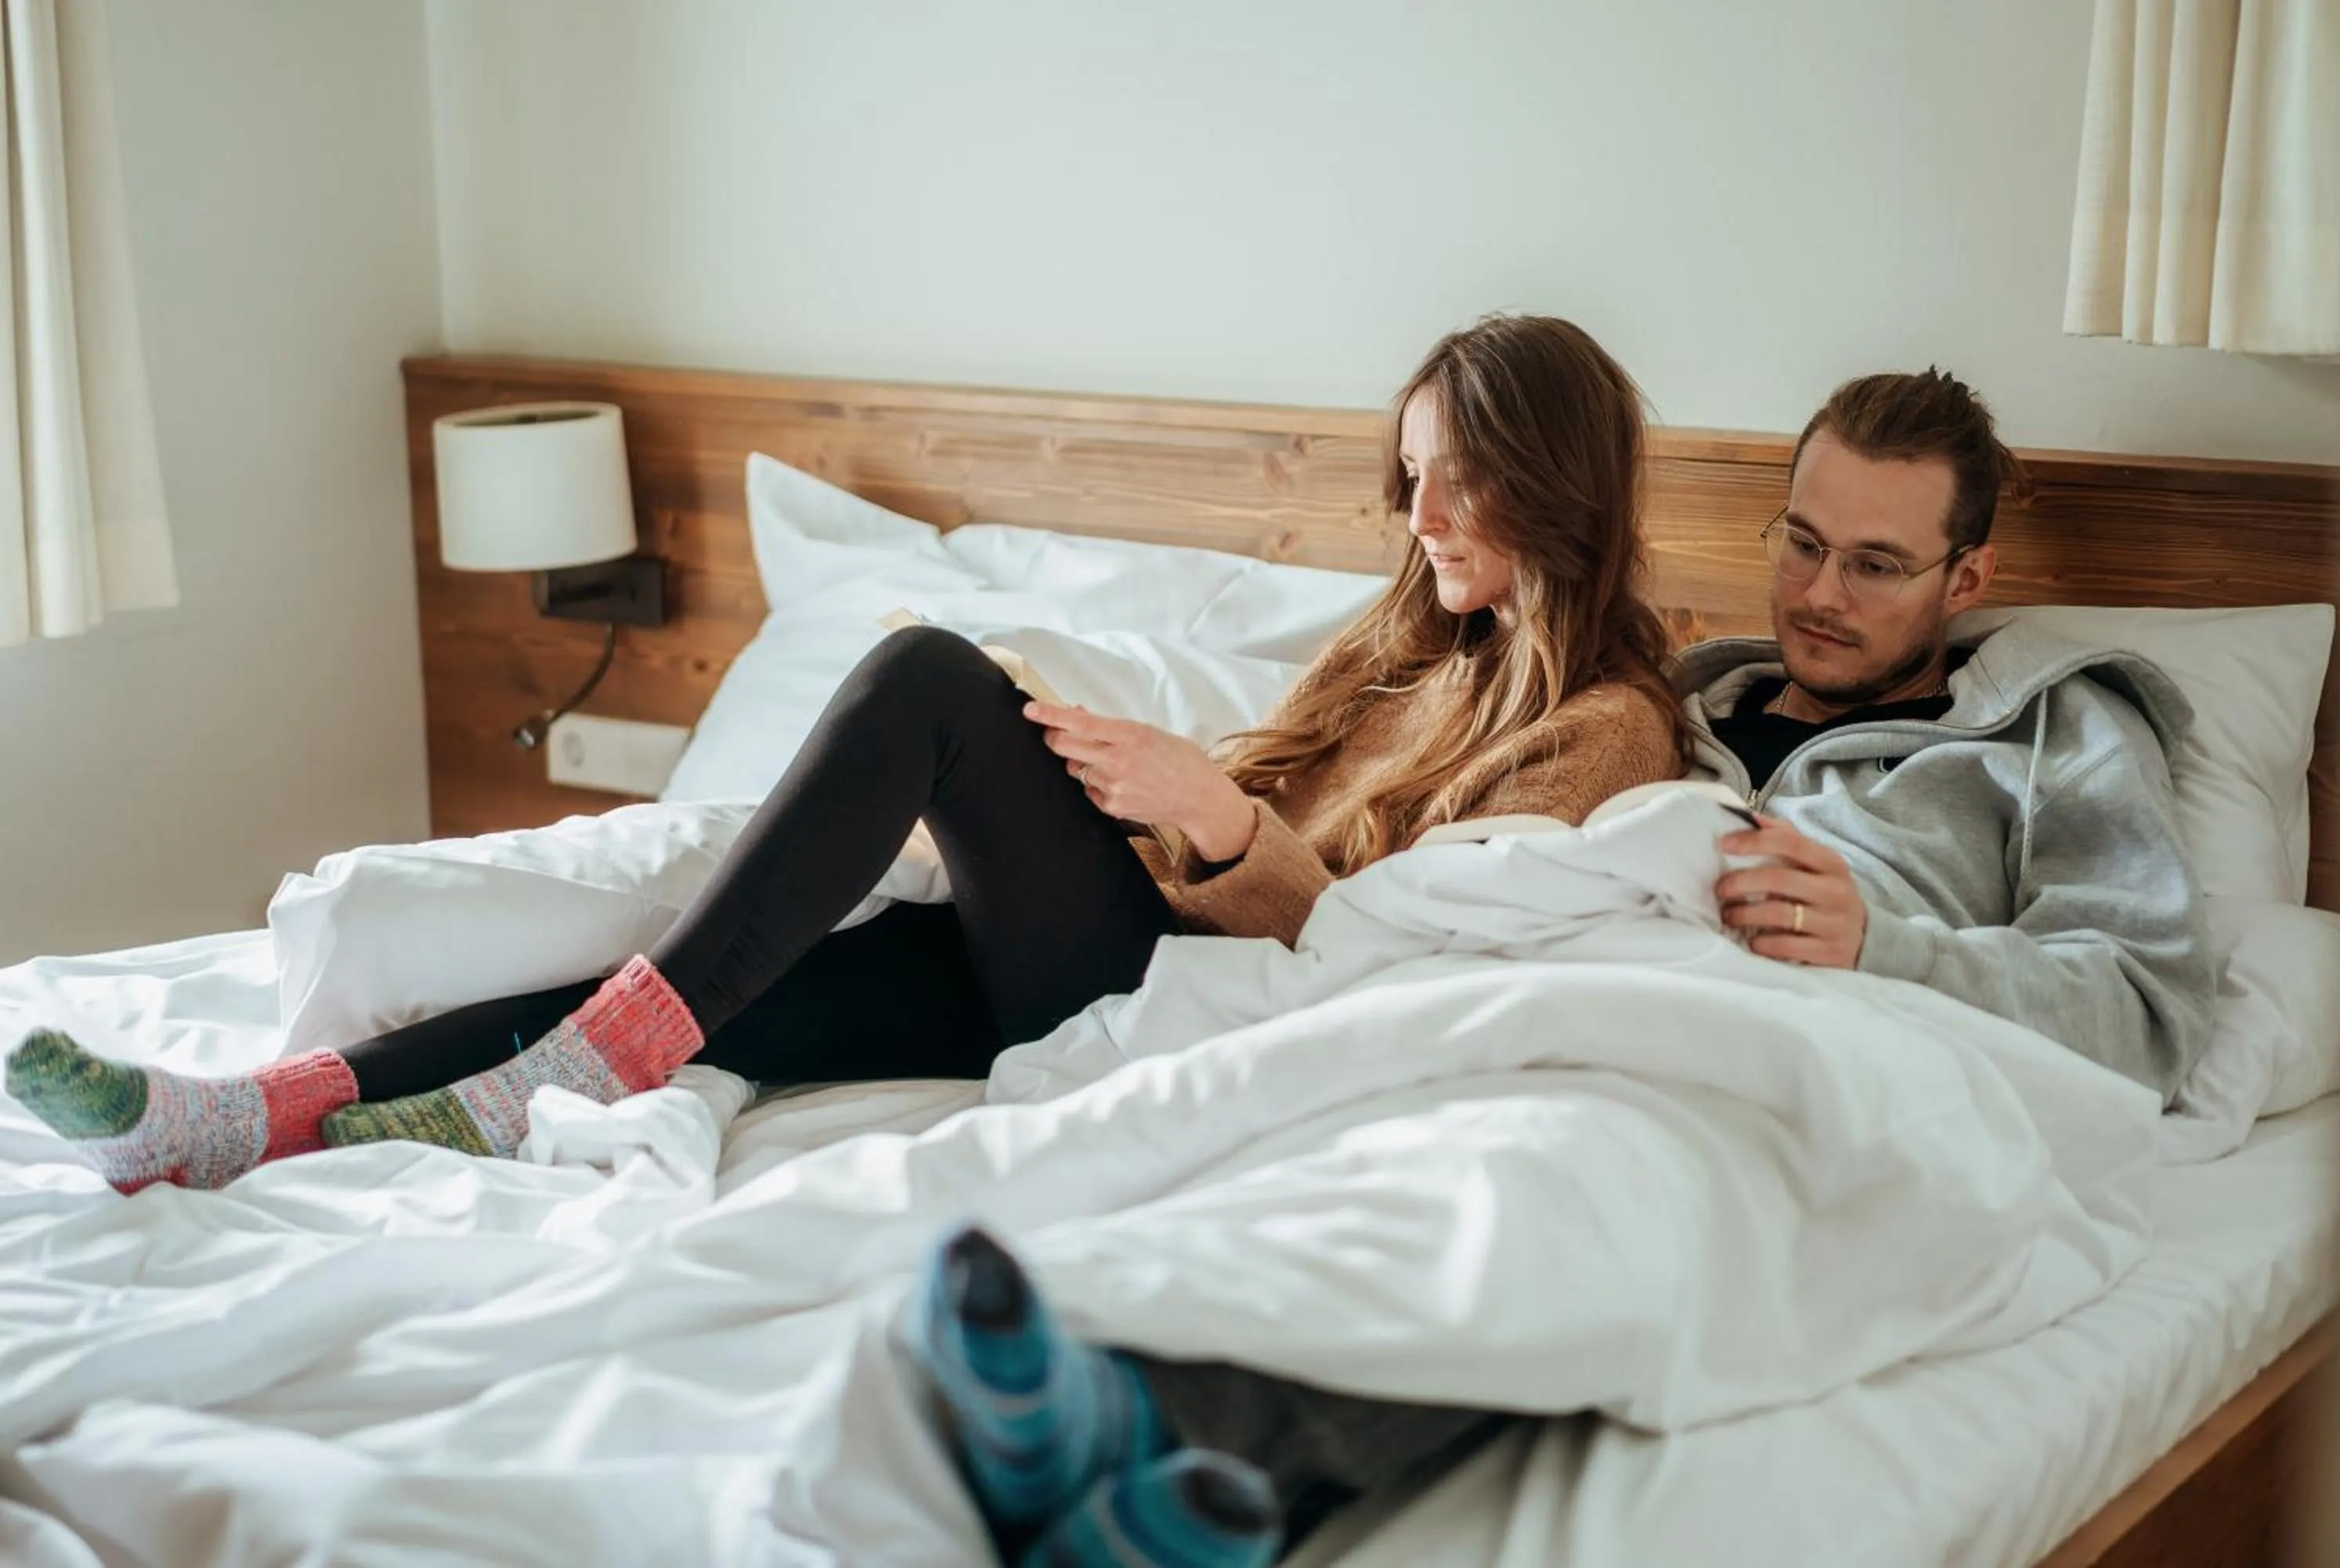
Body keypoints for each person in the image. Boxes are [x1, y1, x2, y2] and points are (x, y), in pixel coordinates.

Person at [894, 367, 2223, 1568]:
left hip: (1836, 1039)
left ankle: (1166, 1419)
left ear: (1967, 579)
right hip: (1600, 984)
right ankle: (1158, 1428)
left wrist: (1893, 942)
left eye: (1877, 564)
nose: (1820, 594)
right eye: (1803, 544)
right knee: (1419, 1137)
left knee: (1567, 1183)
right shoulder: (1680, 701)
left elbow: (2147, 1013)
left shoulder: (2057, 735)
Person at [5, 311, 1685, 1195]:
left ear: (1562, 479)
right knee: (704, 987)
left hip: (1209, 1001)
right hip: (1120, 945)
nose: (1425, 518)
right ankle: (241, 1115)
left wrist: (1228, 828)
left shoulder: (1599, 728)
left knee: (925, 677)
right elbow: (1238, 814)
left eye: (1462, 478)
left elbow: (1414, 953)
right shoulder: (1404, 641)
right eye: (1409, 478)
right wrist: (1139, 784)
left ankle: (556, 1069)